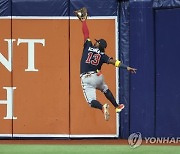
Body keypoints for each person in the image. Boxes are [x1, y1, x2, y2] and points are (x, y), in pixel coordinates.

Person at [76, 10, 137, 121]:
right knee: (105, 89)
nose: (95, 42)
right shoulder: (103, 55)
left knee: (91, 102)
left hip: (87, 78)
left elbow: (86, 33)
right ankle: (117, 106)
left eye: (97, 42)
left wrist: (83, 21)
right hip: (98, 76)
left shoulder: (88, 46)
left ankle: (102, 107)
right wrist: (126, 67)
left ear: (98, 44)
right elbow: (115, 62)